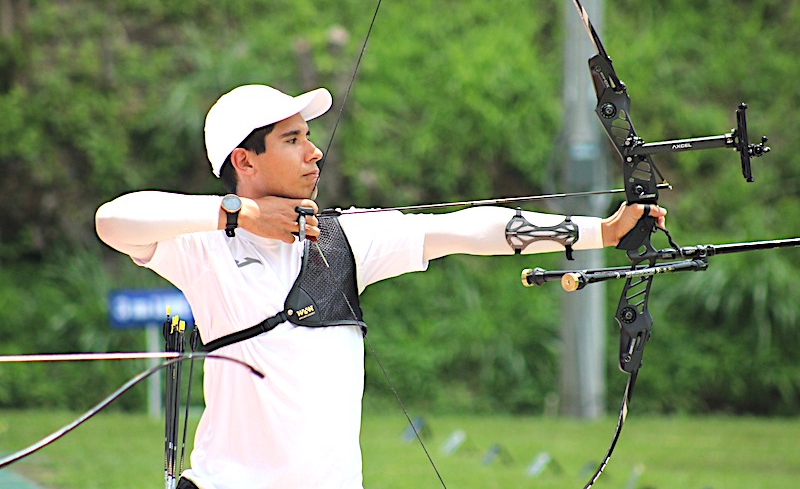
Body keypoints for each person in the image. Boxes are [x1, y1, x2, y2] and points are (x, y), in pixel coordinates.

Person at [95, 84, 666, 488]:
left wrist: (604, 230)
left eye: (310, 135)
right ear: (245, 159)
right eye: (292, 139)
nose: (314, 151)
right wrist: (237, 215)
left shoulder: (345, 240)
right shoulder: (205, 248)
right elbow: (114, 220)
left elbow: (467, 227)